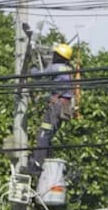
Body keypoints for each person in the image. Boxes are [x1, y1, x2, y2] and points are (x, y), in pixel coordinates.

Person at [24, 42, 75, 179]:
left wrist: (32, 68)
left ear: (58, 56)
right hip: (64, 107)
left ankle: (37, 164)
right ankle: (47, 162)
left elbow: (39, 75)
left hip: (56, 106)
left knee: (43, 133)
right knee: (49, 135)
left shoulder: (56, 67)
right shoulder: (67, 69)